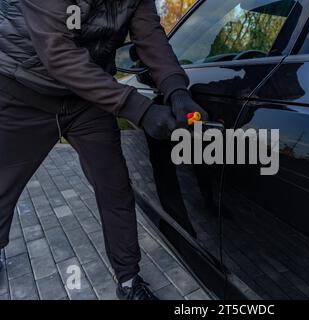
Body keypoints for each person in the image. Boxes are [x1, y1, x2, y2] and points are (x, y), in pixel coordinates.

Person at [0, 0, 207, 300]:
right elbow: (58, 53)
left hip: (87, 98)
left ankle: (129, 280)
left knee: (115, 186)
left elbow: (149, 36)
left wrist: (177, 91)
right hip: (24, 88)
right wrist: (139, 109)